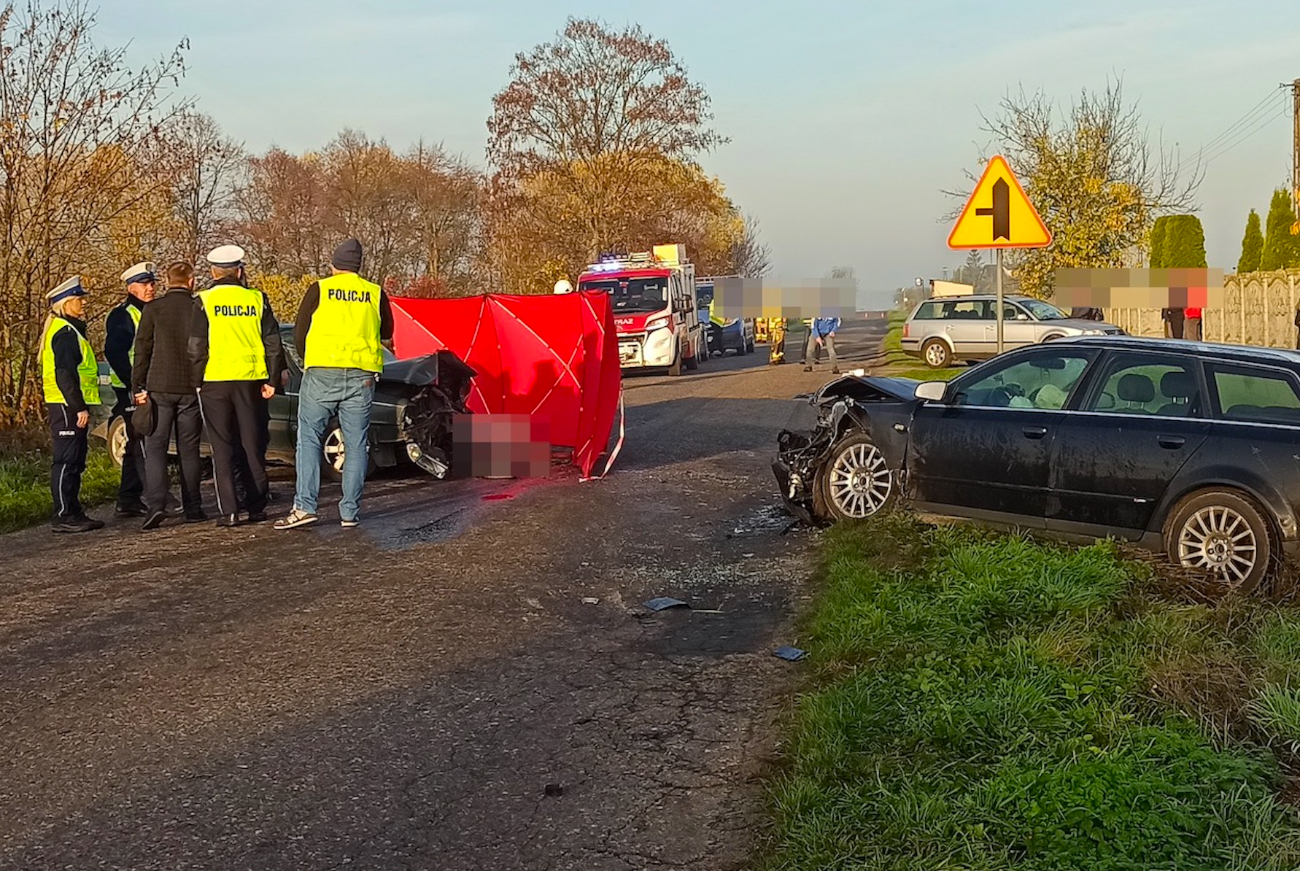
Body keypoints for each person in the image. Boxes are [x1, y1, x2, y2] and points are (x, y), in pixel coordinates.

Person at [276, 238, 394, 530]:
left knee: (309, 439)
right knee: (355, 445)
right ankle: (350, 513)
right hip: (361, 375)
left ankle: (305, 506)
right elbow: (387, 331)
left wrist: (309, 361)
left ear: (333, 265)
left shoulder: (320, 289)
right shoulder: (375, 293)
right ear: (358, 266)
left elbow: (301, 331)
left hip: (322, 373)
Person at [188, 244, 284, 527]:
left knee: (222, 446)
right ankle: (256, 506)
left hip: (215, 381)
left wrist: (196, 381)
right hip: (251, 380)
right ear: (240, 271)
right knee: (252, 444)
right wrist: (272, 379)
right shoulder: (257, 299)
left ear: (213, 272)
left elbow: (196, 347)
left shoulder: (203, 300)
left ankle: (229, 510)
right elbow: (273, 343)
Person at [133, 261, 207, 530]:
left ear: (167, 281)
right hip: (190, 388)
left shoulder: (154, 309)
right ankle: (194, 507)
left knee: (156, 448)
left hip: (159, 387)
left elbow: (143, 349)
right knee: (189, 449)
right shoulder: (199, 308)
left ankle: (155, 505)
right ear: (191, 281)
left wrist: (138, 387)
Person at [40, 277, 105, 533]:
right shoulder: (65, 332)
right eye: (79, 299)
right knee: (67, 460)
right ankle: (64, 514)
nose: (84, 303)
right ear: (66, 303)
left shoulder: (69, 329)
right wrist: (78, 406)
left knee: (75, 458)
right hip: (66, 404)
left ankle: (72, 510)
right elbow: (64, 373)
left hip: (67, 403)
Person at [105, 261, 156, 516]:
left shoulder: (149, 311)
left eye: (152, 283)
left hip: (145, 385)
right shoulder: (123, 315)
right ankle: (133, 497)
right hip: (129, 387)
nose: (151, 288)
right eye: (145, 284)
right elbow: (114, 352)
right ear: (131, 287)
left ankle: (129, 498)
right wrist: (133, 384)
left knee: (140, 441)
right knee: (138, 441)